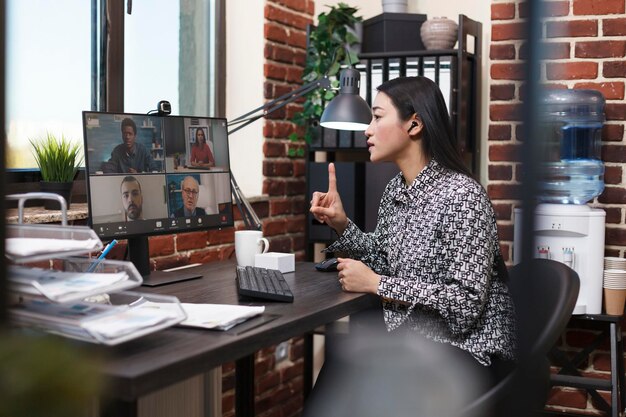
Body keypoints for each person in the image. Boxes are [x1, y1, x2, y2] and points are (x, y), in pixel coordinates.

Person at [309, 77, 517, 392]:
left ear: (414, 124)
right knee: (340, 358)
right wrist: (341, 223)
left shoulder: (463, 196)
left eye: (377, 117)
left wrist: (377, 284)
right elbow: (381, 257)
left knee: (349, 367)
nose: (367, 130)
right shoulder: (396, 189)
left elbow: (466, 304)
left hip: (467, 353)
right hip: (417, 342)